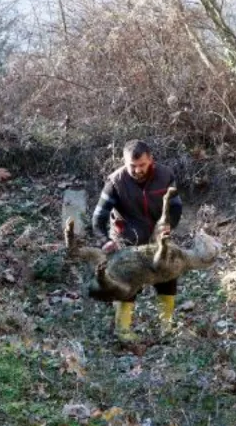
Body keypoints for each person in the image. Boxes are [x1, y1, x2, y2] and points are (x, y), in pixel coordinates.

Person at [91, 139, 183, 341]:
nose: (137, 170)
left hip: (158, 241)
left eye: (142, 165)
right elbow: (98, 217)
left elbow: (176, 207)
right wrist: (104, 240)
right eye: (132, 166)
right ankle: (123, 331)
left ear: (151, 160)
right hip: (127, 243)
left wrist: (169, 224)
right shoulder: (115, 182)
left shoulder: (165, 176)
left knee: (168, 277)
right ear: (124, 161)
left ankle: (166, 327)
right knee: (127, 285)